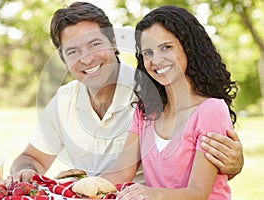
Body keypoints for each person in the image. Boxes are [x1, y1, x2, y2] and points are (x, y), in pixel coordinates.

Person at [9, 2, 243, 184]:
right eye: (73, 51)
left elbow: (193, 166)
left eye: (94, 44)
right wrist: (27, 173)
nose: (87, 58)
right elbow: (32, 158)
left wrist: (233, 164)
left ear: (114, 43)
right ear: (64, 60)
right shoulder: (65, 99)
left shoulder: (154, 90)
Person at [101, 5, 240, 200]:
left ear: (188, 47)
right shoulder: (146, 111)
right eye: (148, 52)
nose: (156, 60)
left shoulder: (211, 110)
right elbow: (121, 173)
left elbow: (198, 192)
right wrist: (80, 184)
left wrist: (150, 193)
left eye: (166, 47)